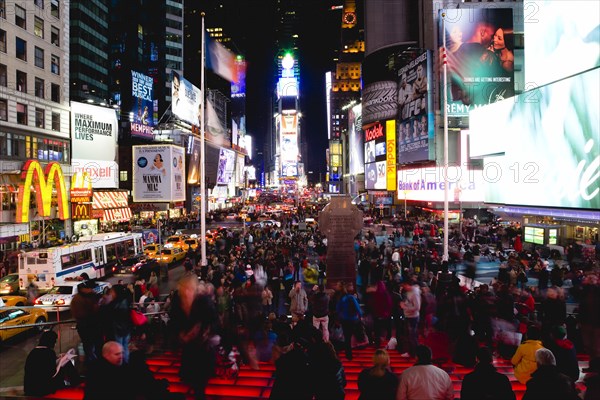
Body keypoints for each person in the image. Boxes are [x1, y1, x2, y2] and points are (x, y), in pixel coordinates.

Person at [168, 275, 220, 400]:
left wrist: (206, 331)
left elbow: (214, 321)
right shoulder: (177, 303)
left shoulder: (204, 302)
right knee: (191, 380)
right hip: (188, 350)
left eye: (190, 288)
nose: (187, 291)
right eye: (184, 288)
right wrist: (180, 335)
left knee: (200, 383)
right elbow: (173, 323)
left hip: (203, 349)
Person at [24, 330, 80, 396]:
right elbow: (52, 373)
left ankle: (75, 382)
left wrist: (59, 358)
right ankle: (76, 383)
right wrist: (62, 360)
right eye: (55, 342)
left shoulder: (33, 352)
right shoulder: (49, 352)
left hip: (29, 388)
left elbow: (44, 365)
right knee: (66, 363)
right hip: (41, 389)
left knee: (64, 362)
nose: (55, 344)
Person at [70, 280, 103, 366]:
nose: (92, 289)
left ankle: (94, 363)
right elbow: (81, 314)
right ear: (85, 289)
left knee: (92, 346)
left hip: (90, 326)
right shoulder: (79, 299)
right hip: (87, 326)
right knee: (89, 347)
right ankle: (93, 365)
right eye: (90, 288)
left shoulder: (89, 296)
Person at [336, 282, 363, 360]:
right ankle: (352, 351)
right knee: (351, 335)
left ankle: (348, 354)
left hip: (344, 319)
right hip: (352, 319)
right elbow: (358, 308)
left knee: (346, 337)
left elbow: (338, 309)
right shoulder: (352, 298)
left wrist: (340, 317)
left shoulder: (341, 298)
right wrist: (360, 316)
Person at [400, 281, 421, 357]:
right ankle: (411, 352)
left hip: (413, 317)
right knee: (409, 335)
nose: (404, 287)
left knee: (412, 336)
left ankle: (414, 353)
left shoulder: (415, 293)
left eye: (404, 285)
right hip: (409, 316)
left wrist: (405, 307)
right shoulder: (409, 292)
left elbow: (417, 307)